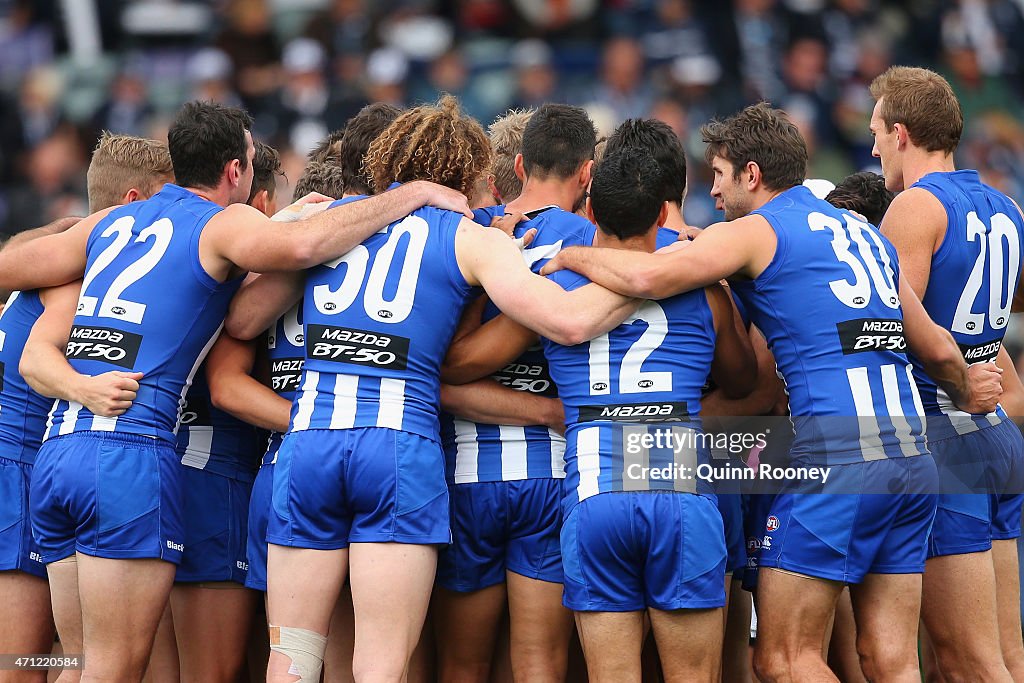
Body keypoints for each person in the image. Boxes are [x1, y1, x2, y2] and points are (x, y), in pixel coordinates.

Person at [0, 99, 472, 682]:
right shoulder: (223, 224)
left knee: (71, 661)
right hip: (128, 453)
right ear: (235, 171)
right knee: (117, 669)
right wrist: (411, 194)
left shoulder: (110, 224)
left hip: (58, 452)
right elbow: (302, 251)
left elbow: (10, 269)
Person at [541, 102, 1003, 682]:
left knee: (784, 659)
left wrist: (569, 252)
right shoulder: (861, 231)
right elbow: (934, 346)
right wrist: (971, 389)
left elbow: (644, 277)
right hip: (911, 457)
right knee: (889, 657)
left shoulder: (756, 231)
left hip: (837, 454)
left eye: (720, 175)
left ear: (752, 176)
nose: (714, 192)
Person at [224, 96, 639, 683]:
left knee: (292, 660)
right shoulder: (472, 237)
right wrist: (660, 273)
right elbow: (567, 321)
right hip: (397, 449)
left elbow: (242, 321)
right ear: (469, 171)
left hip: (310, 443)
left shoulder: (337, 222)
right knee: (381, 666)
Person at [544, 147, 756, 681]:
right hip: (680, 488)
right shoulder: (704, 286)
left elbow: (459, 365)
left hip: (595, 488)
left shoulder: (550, 288)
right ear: (664, 215)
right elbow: (743, 383)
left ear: (589, 210)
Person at [869, 65, 1024, 681]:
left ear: (901, 133)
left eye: (878, 130)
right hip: (996, 437)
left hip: (942, 433)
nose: (874, 144)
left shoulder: (914, 206)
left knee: (966, 661)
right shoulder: (1007, 205)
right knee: (1007, 653)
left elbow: (888, 328)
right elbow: (994, 318)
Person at [1, 133, 174, 682]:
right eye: (167, 201)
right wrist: (86, 390)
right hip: (24, 467)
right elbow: (37, 360)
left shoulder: (47, 254)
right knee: (26, 660)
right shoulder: (74, 277)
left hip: (35, 468)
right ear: (130, 203)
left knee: (65, 657)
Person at [434, 102, 596, 683]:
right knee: (539, 664)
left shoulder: (470, 229)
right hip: (551, 476)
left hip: (466, 479)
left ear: (520, 163)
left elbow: (442, 375)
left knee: (460, 664)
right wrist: (551, 410)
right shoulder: (588, 239)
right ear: (587, 173)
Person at [162, 140, 285, 683]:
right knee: (213, 671)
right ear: (258, 204)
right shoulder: (241, 274)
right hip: (213, 479)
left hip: (157, 467)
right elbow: (227, 388)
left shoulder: (151, 247)